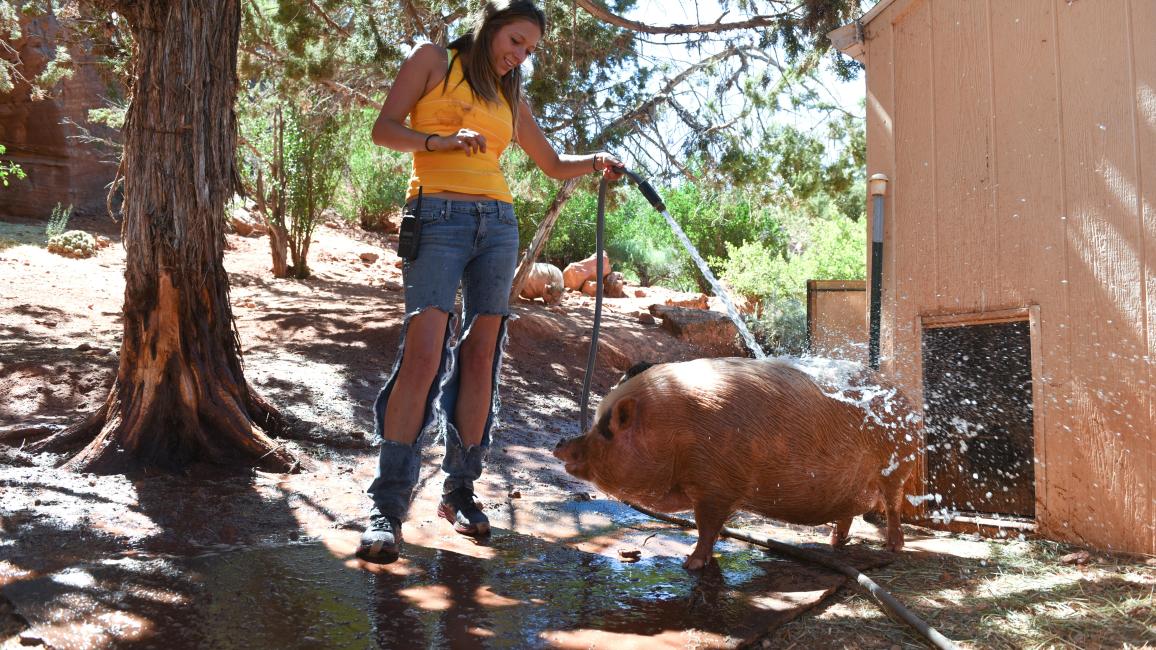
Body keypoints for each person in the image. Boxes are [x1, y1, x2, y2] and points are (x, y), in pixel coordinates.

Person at [357, 0, 623, 563]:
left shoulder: (510, 93)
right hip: (435, 216)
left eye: (529, 50)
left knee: (483, 357)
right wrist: (440, 143)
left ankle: (461, 490)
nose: (519, 55)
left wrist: (597, 159)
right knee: (423, 353)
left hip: (497, 225)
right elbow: (384, 129)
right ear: (492, 28)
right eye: (516, 41)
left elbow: (549, 162)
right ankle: (387, 505)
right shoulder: (434, 59)